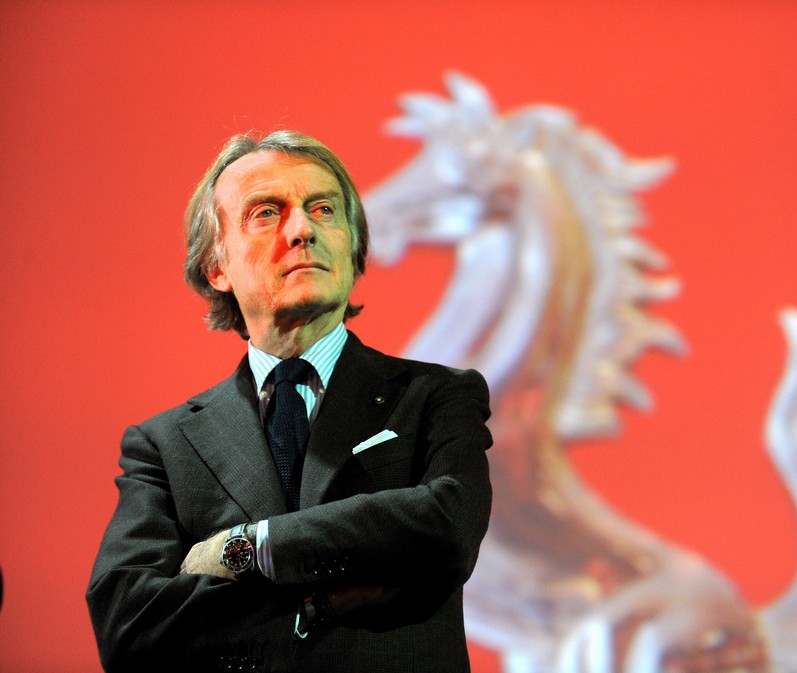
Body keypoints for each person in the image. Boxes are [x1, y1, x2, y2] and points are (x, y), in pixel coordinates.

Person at [86, 130, 493, 672]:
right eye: (266, 213)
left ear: (351, 245)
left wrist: (248, 548)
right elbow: (126, 624)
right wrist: (322, 597)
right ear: (217, 268)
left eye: (323, 209)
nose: (302, 229)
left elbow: (445, 528)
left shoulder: (437, 396)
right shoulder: (162, 445)